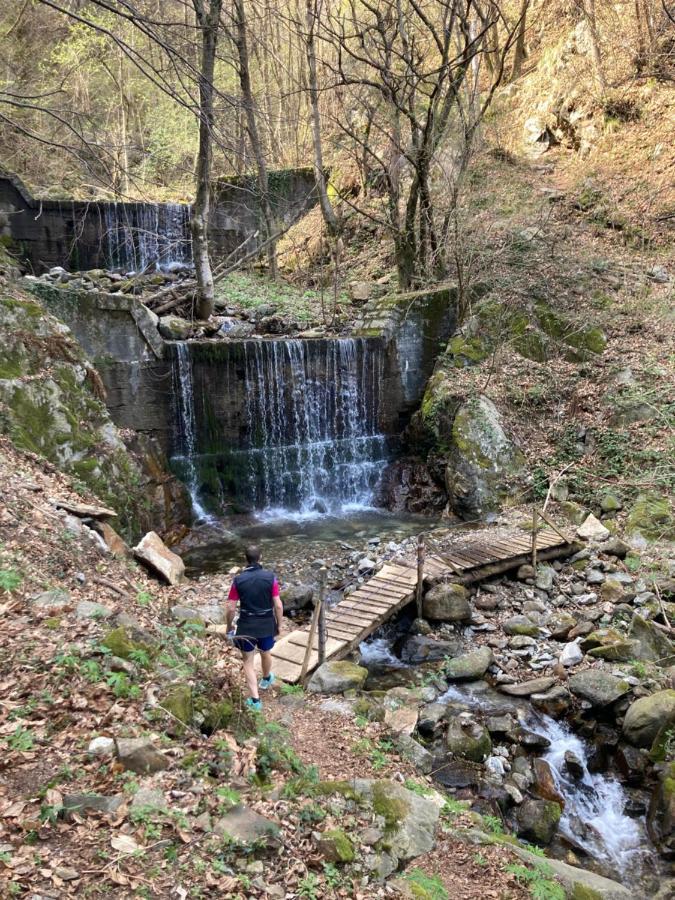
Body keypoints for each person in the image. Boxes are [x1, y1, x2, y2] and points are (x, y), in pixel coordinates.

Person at [226, 544, 283, 710]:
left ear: (246, 560)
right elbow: (278, 605)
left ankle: (256, 700)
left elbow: (230, 607)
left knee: (248, 661)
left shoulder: (238, 580)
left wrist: (229, 626)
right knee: (266, 652)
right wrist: (279, 625)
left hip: (246, 625)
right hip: (266, 624)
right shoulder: (270, 577)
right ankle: (266, 678)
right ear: (261, 558)